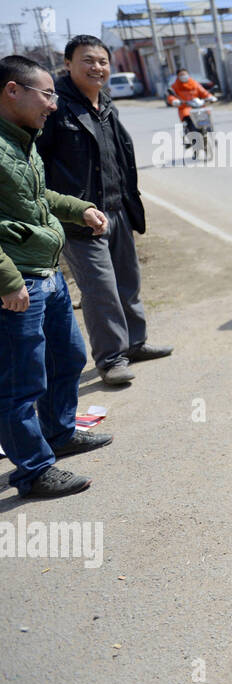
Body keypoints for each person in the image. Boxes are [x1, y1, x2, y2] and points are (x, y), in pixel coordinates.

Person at [0, 55, 113, 499]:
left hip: (47, 271)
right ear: (13, 91)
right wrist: (6, 280)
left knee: (67, 358)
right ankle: (31, 471)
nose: (52, 104)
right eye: (46, 94)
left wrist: (77, 207)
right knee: (19, 383)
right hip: (19, 281)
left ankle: (60, 433)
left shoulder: (22, 140)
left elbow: (35, 195)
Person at [36, 34, 172, 387]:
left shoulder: (106, 104)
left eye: (102, 61)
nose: (97, 67)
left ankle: (135, 343)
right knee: (100, 290)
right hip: (79, 217)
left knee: (128, 282)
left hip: (117, 210)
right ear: (68, 65)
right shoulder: (55, 108)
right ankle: (111, 359)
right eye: (87, 60)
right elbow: (37, 163)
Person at [165, 66, 215, 148]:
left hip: (198, 106)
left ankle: (211, 136)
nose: (184, 76)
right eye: (181, 75)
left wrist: (210, 96)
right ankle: (191, 138)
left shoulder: (194, 83)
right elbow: (171, 96)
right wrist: (174, 101)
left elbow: (203, 92)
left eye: (185, 74)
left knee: (207, 119)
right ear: (178, 76)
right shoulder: (175, 86)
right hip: (185, 107)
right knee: (188, 121)